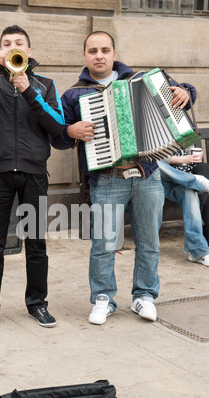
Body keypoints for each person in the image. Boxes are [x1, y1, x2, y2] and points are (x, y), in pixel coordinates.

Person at [50, 30, 196, 325]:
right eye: (93, 51)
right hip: (107, 178)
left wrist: (186, 92)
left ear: (114, 54)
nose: (99, 55)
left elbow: (182, 93)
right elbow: (59, 138)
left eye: (105, 50)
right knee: (103, 244)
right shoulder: (73, 95)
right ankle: (103, 299)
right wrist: (70, 131)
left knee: (148, 241)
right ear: (85, 57)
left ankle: (144, 297)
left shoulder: (142, 81)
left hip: (148, 175)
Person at [0, 25, 65, 330]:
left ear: (29, 51)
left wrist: (28, 89)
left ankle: (37, 304)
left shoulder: (44, 84)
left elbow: (58, 125)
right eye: (6, 43)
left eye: (18, 43)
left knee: (35, 244)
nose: (12, 47)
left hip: (34, 175)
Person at [158, 151, 209, 267]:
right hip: (150, 179)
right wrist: (181, 159)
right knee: (152, 162)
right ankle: (194, 180)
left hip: (174, 179)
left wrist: (190, 158)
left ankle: (198, 252)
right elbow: (148, 156)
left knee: (189, 191)